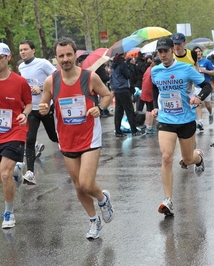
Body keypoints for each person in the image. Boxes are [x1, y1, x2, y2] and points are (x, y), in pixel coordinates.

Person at [38, 37, 115, 239]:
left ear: (75, 55)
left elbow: (107, 95)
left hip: (90, 138)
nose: (65, 59)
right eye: (61, 56)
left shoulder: (89, 78)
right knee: (79, 186)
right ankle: (93, 221)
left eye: (69, 54)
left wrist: (100, 107)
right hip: (67, 139)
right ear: (55, 59)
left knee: (87, 184)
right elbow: (44, 108)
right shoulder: (50, 82)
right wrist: (43, 108)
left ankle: (102, 198)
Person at [151, 37, 212, 216]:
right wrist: (155, 106)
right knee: (167, 157)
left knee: (187, 160)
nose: (163, 55)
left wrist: (199, 97)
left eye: (165, 51)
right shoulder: (155, 71)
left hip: (186, 119)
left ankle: (198, 158)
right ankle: (168, 200)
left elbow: (206, 86)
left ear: (172, 51)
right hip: (166, 119)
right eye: (160, 52)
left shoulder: (186, 69)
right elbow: (155, 88)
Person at [0, 43, 33, 229]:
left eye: (0, 58)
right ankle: (17, 171)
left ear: (8, 57)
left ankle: (9, 212)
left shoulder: (20, 82)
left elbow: (28, 104)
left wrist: (24, 114)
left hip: (15, 130)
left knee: (5, 173)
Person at [18, 40, 58, 185]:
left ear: (33, 50)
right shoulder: (21, 66)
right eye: (21, 50)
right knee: (29, 139)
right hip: (31, 109)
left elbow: (57, 78)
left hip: (46, 107)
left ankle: (74, 153)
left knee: (54, 137)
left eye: (25, 49)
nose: (22, 52)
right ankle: (30, 173)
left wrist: (41, 88)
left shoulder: (43, 63)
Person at [110, 53, 143, 137]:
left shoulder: (113, 64)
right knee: (129, 110)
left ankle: (118, 131)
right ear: (123, 54)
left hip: (117, 89)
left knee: (119, 111)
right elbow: (128, 75)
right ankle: (134, 130)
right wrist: (131, 65)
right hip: (123, 89)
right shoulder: (122, 63)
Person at [193, 46, 214, 130]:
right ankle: (200, 122)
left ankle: (211, 113)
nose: (198, 53)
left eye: (199, 51)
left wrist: (205, 71)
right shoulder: (192, 62)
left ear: (201, 52)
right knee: (197, 103)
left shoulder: (207, 61)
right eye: (196, 52)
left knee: (207, 104)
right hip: (196, 86)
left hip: (205, 86)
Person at [140, 55, 160, 134]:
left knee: (148, 109)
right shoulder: (155, 70)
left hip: (145, 91)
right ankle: (149, 127)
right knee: (151, 109)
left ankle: (148, 127)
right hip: (150, 91)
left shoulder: (149, 68)